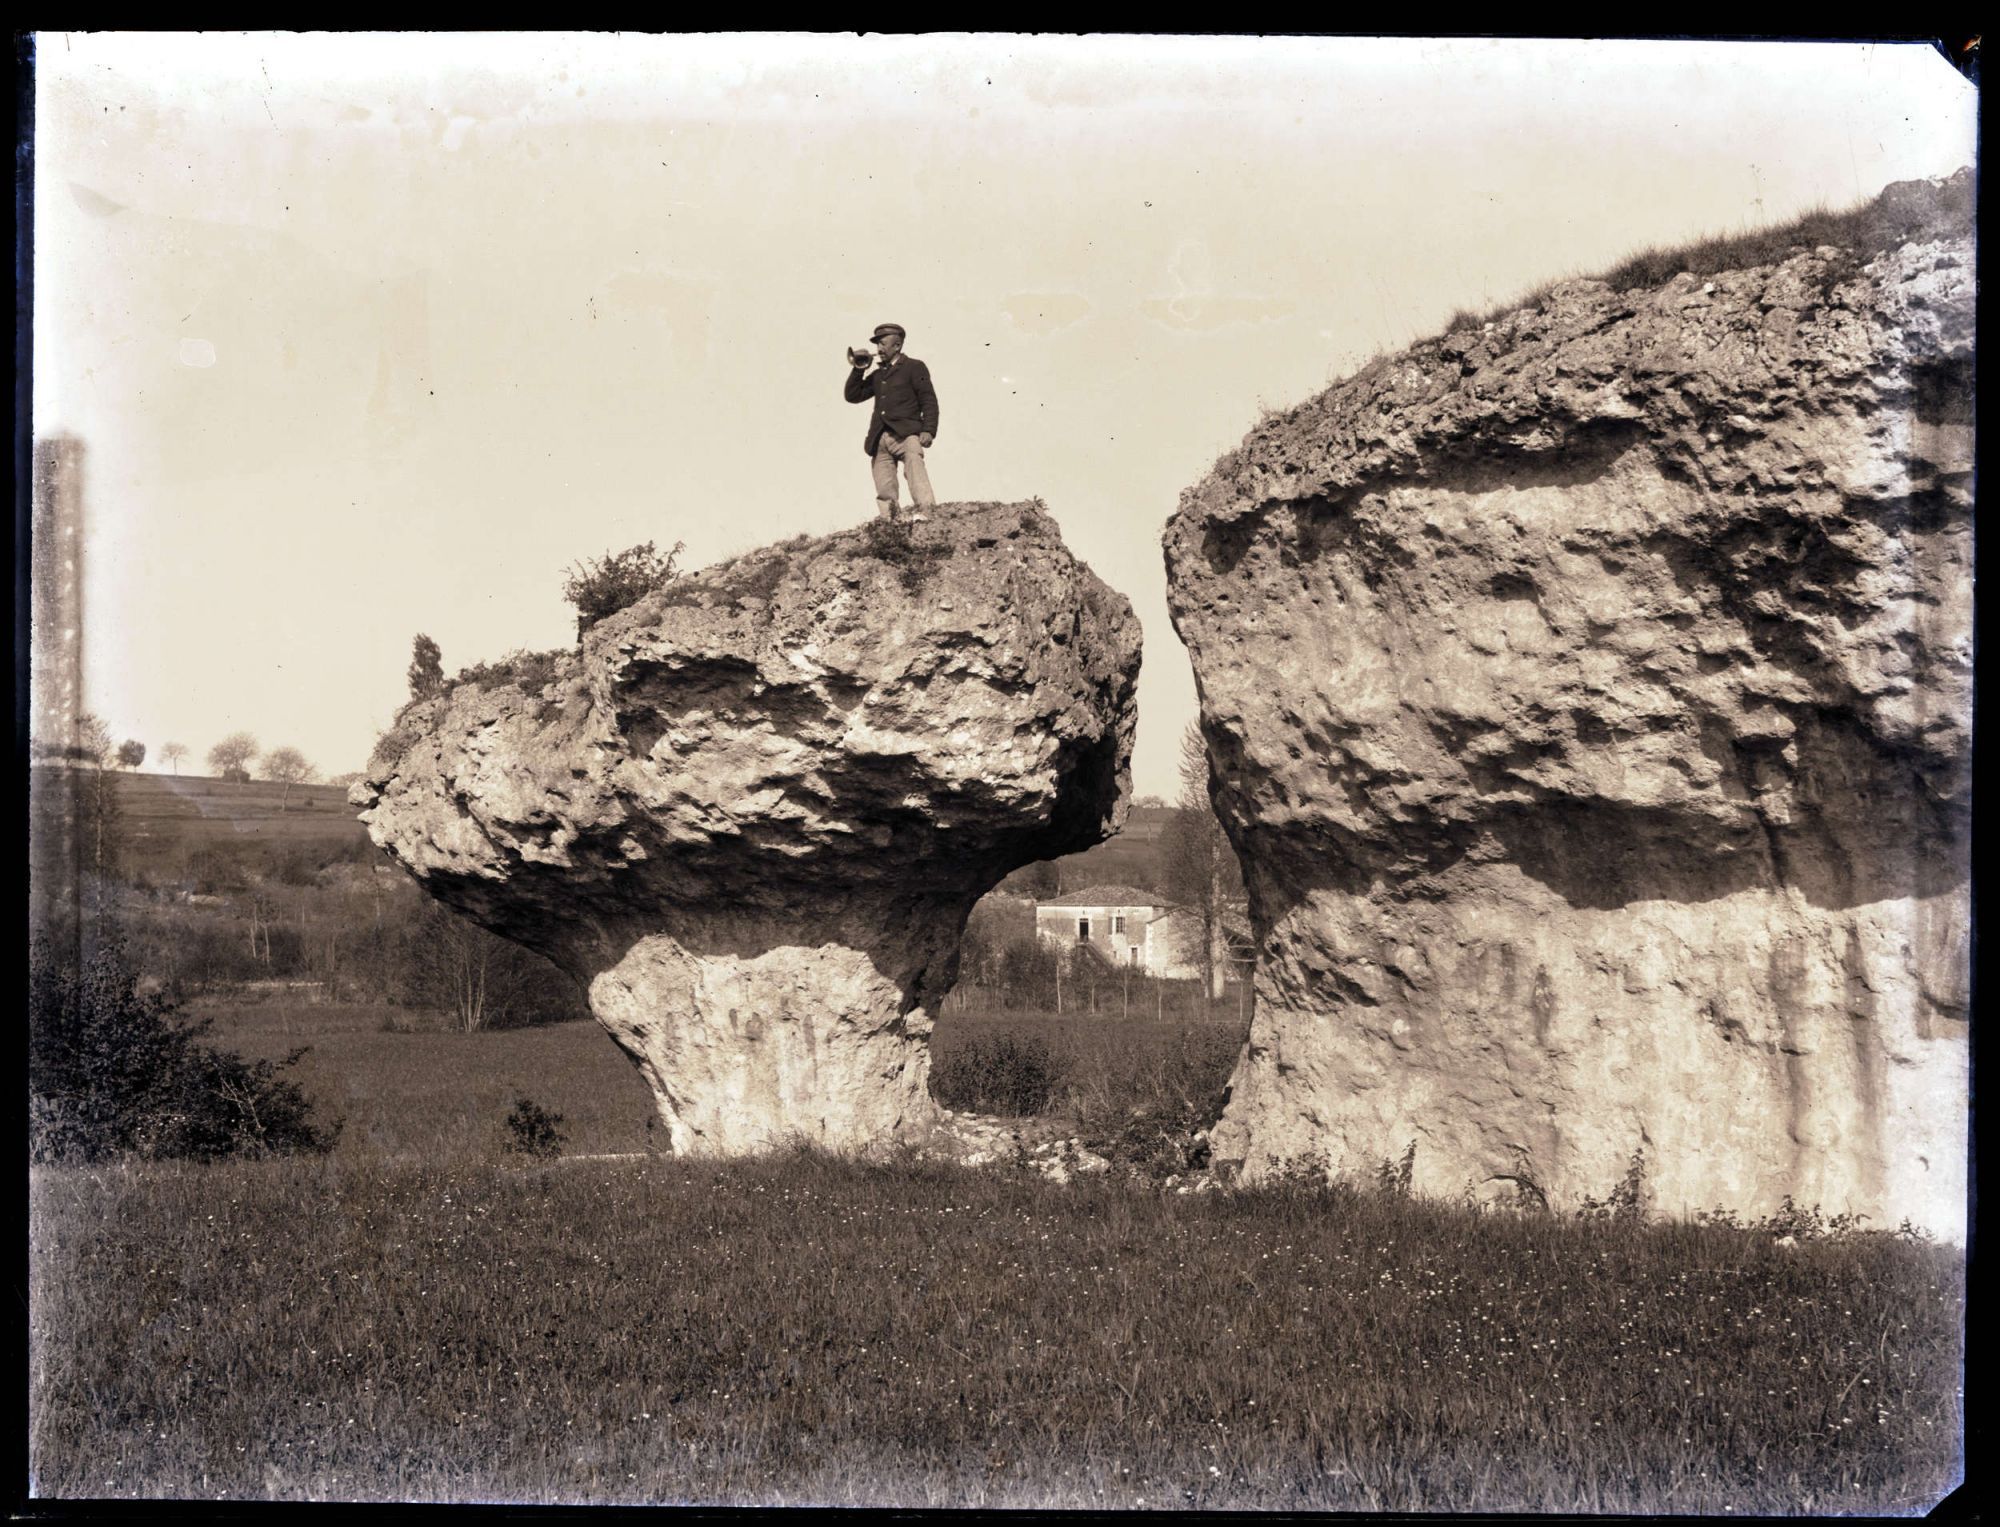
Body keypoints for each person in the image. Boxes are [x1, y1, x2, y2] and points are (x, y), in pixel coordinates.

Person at [843, 323, 939, 521]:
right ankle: (890, 522)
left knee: (915, 471)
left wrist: (929, 430)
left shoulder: (914, 366)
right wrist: (858, 370)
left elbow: (928, 400)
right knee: (884, 485)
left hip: (907, 434)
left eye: (882, 344)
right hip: (880, 438)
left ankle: (927, 513)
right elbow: (853, 395)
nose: (878, 349)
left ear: (897, 345)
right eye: (877, 344)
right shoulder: (879, 374)